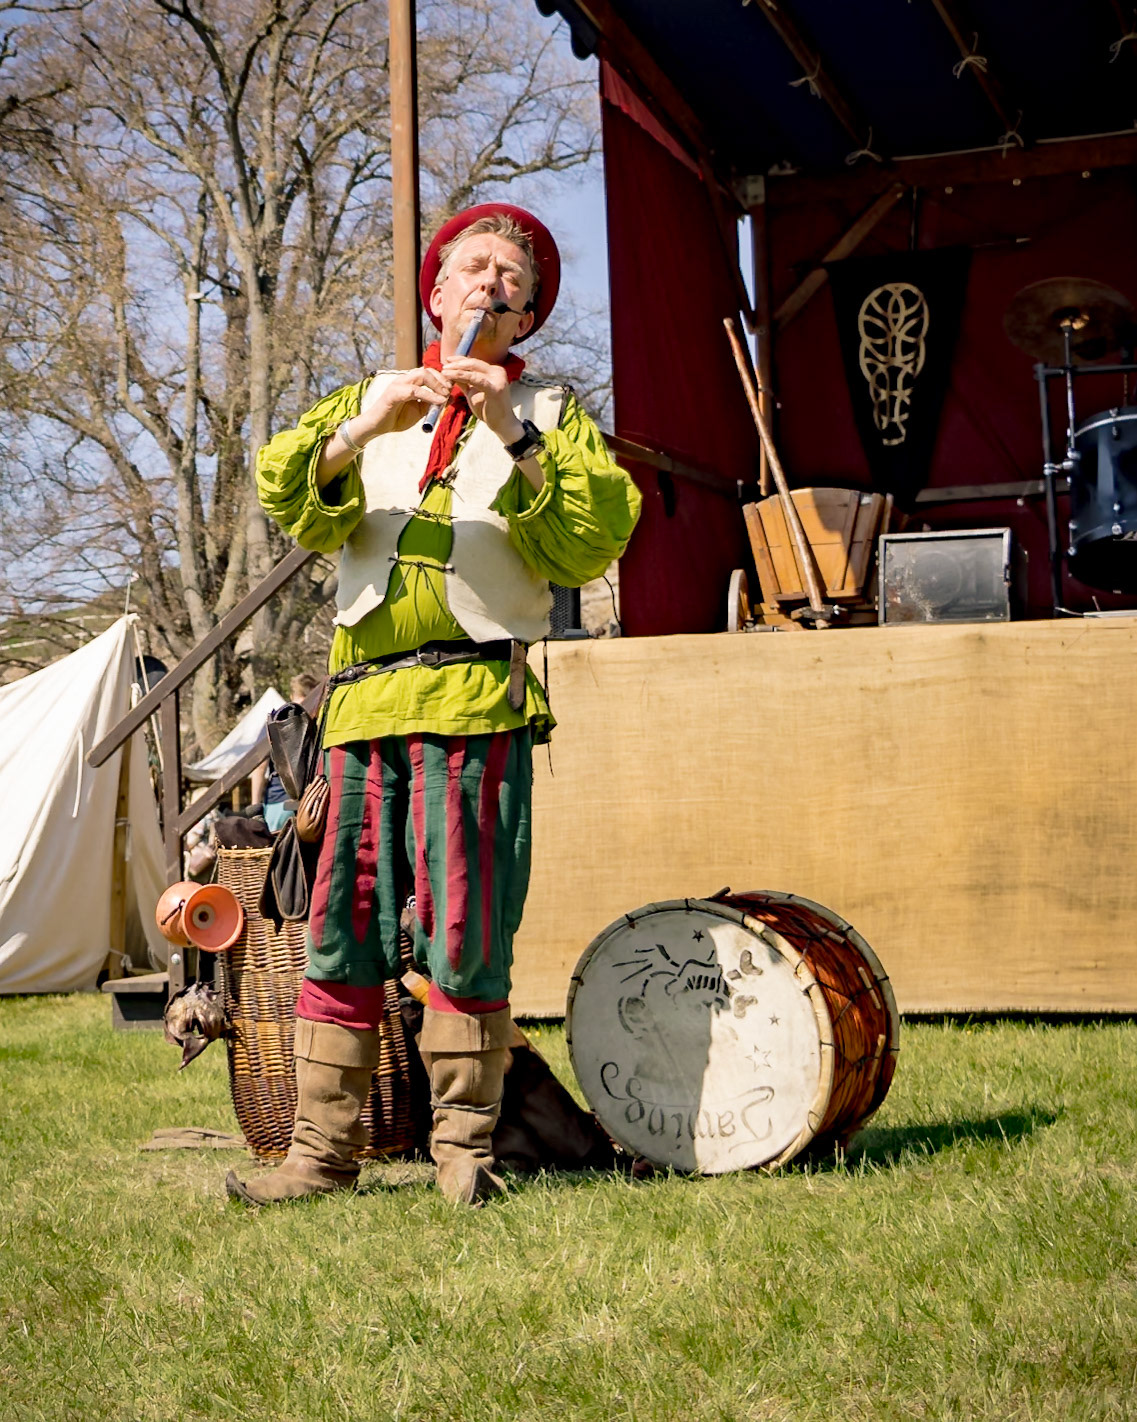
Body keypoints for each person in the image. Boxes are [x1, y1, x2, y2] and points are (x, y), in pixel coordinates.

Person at [226, 203, 641, 1207]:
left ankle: (465, 1152)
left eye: (513, 278)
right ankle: (318, 1157)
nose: (492, 284)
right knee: (341, 929)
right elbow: (286, 489)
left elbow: (590, 538)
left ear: (526, 313)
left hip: (474, 698)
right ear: (439, 293)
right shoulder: (369, 398)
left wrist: (510, 431)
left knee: (465, 929)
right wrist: (369, 423)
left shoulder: (551, 413)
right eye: (476, 269)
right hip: (365, 708)